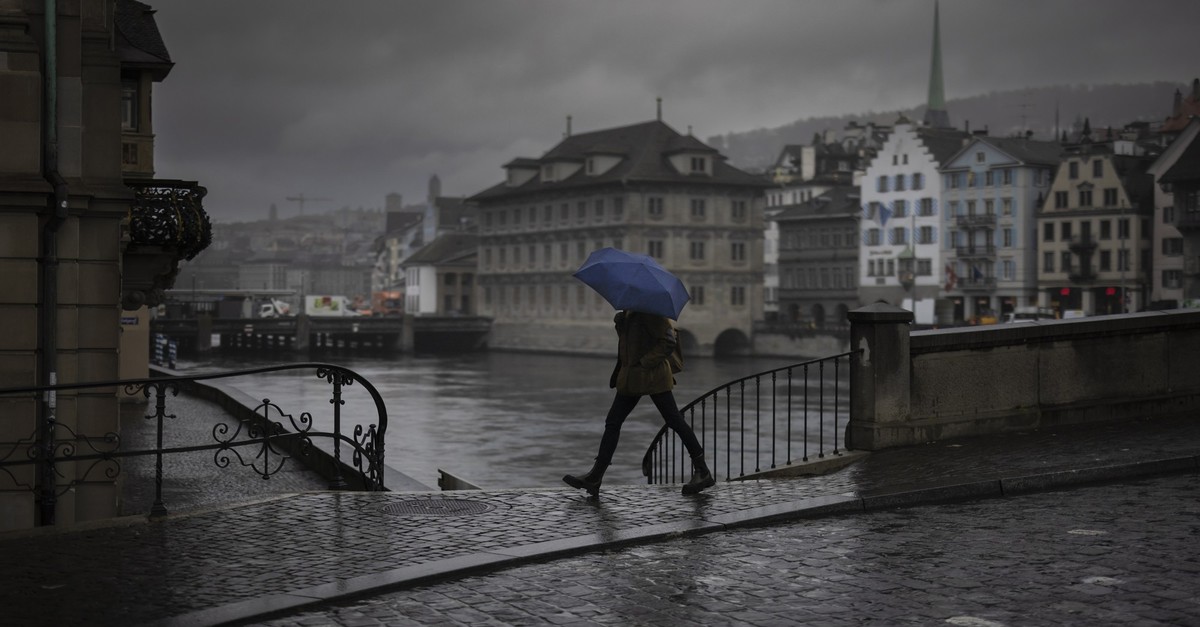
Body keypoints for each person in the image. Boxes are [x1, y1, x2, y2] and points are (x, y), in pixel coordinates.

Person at [563, 310, 715, 498]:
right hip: (632, 378)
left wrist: (644, 363)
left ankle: (702, 471)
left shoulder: (651, 312)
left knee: (674, 420)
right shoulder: (631, 313)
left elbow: (668, 341)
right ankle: (595, 476)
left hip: (653, 377)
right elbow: (632, 344)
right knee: (613, 422)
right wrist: (621, 326)